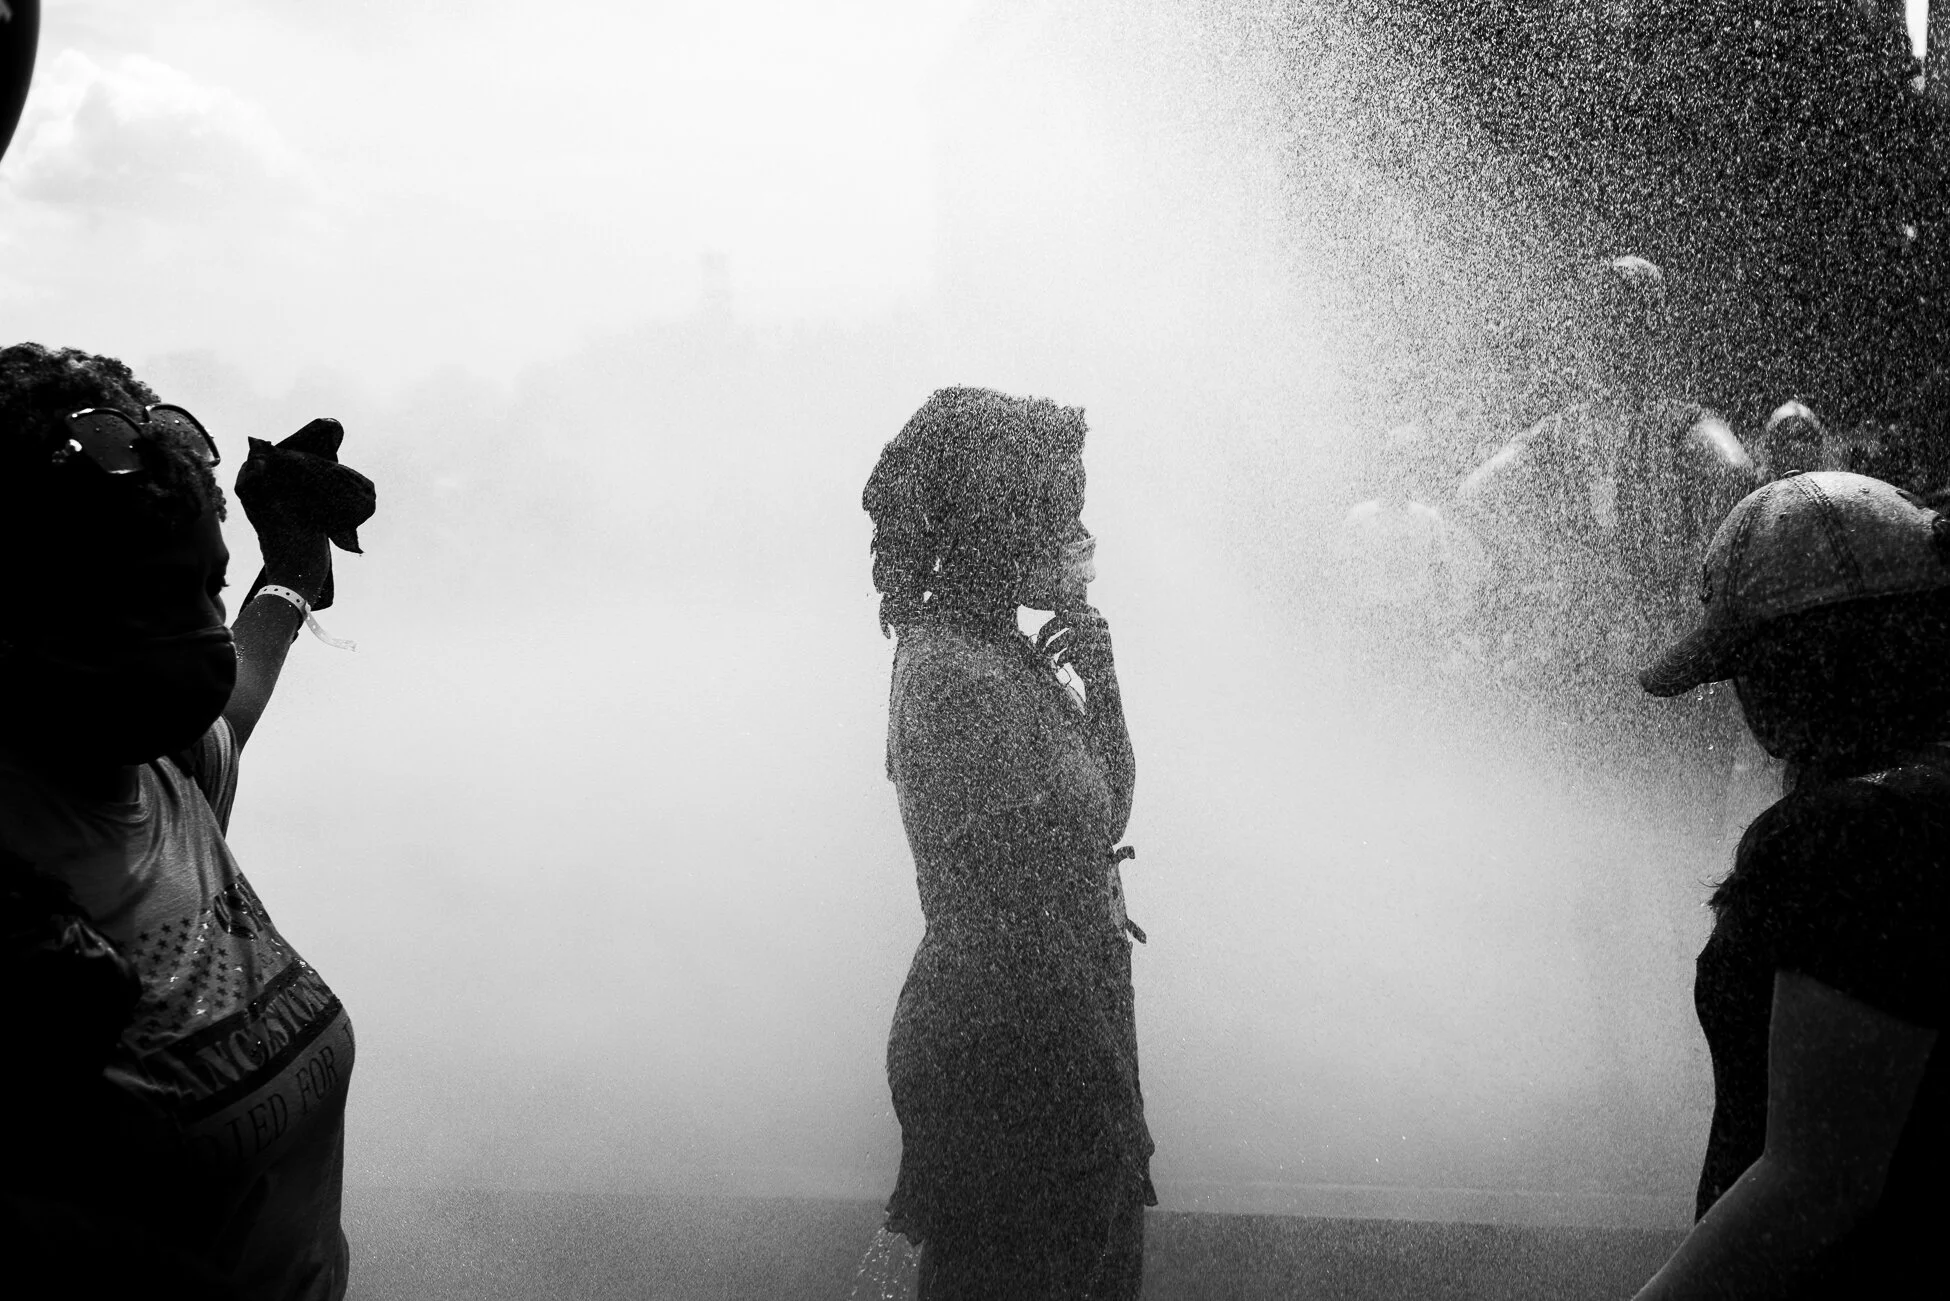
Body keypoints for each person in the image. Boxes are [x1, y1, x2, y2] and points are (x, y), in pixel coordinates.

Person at [0, 343, 367, 1299]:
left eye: (211, 583)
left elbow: (237, 688)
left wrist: (291, 571)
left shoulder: (166, 773)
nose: (204, 631)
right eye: (154, 596)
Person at [862, 386, 1153, 1299]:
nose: (1080, 537)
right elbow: (1026, 890)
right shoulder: (955, 673)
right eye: (1060, 513)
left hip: (1067, 1055)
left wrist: (1103, 684)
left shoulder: (1001, 653)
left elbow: (1102, 820)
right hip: (1011, 1070)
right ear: (1000, 520)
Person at [1633, 471, 1945, 1299]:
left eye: (1742, 667)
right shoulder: (1924, 800)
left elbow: (1814, 1181)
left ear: (1792, 666)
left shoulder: (1848, 835)